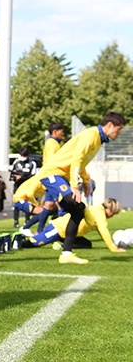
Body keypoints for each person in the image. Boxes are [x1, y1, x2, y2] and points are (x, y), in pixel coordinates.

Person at [38, 111, 126, 264]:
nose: (118, 133)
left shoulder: (98, 140)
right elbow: (77, 159)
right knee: (74, 201)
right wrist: (75, 186)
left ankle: (66, 254)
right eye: (118, 129)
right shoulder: (91, 135)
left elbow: (82, 162)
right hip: (53, 172)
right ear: (110, 125)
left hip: (62, 176)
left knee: (77, 210)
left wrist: (85, 181)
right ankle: (59, 223)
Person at [27, 198, 126, 254]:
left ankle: (62, 245)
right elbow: (103, 230)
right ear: (108, 209)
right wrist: (113, 248)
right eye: (113, 213)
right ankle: (18, 242)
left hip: (70, 234)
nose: (112, 216)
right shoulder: (99, 212)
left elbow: (101, 231)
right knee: (36, 242)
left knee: (86, 244)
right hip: (59, 228)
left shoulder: (98, 210)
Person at [10, 147, 37, 228]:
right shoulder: (16, 162)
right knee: (16, 204)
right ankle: (16, 221)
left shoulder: (32, 163)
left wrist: (21, 176)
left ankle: (27, 221)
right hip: (17, 187)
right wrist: (15, 177)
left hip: (27, 187)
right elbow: (12, 175)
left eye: (24, 155)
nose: (22, 157)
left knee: (28, 204)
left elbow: (32, 176)